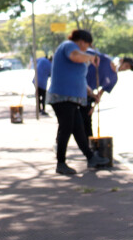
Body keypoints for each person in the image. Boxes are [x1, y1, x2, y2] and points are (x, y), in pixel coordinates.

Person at [47, 29, 109, 175]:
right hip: (62, 97)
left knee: (78, 129)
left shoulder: (79, 53)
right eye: (87, 45)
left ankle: (91, 157)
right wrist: (90, 57)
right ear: (82, 41)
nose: (87, 48)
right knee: (66, 128)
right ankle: (61, 163)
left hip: (71, 98)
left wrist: (91, 94)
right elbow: (75, 56)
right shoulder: (68, 46)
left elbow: (79, 79)